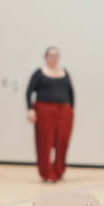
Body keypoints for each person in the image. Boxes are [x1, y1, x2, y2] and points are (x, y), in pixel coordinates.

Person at [25, 47, 75, 183]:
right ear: (46, 56)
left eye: (57, 55)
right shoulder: (39, 73)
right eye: (52, 55)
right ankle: (46, 173)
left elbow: (71, 92)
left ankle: (59, 171)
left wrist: (71, 109)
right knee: (45, 141)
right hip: (44, 110)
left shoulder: (64, 72)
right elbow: (29, 91)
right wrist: (30, 109)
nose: (54, 57)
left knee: (62, 142)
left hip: (64, 111)